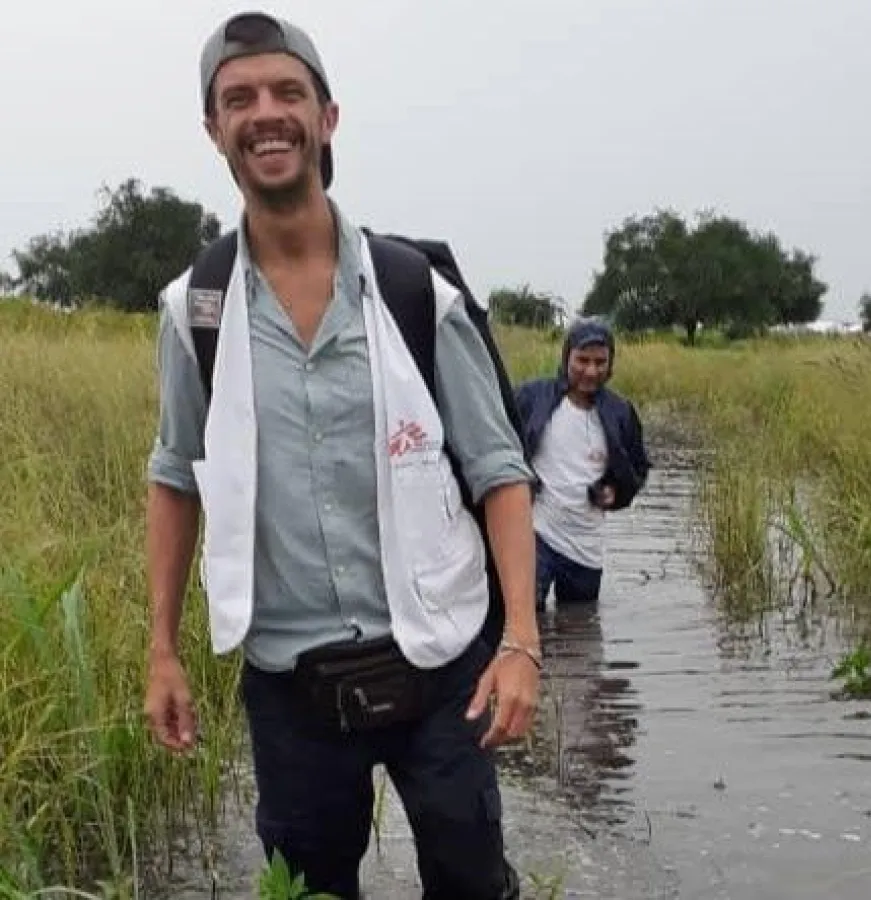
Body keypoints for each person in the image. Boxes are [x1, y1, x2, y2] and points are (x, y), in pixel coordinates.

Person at [142, 11, 540, 900]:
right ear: (214, 130)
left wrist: (521, 641)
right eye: (239, 99)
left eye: (288, 92)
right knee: (310, 889)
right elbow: (174, 477)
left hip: (442, 665)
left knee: (474, 883)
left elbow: (500, 471)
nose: (265, 113)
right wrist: (162, 650)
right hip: (292, 686)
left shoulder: (413, 292)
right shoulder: (195, 310)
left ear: (327, 117)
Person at [514, 318, 650, 611]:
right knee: (527, 617)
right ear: (567, 357)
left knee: (580, 623)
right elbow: (500, 444)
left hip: (586, 545)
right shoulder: (531, 397)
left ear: (610, 363)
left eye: (600, 362)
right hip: (536, 534)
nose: (591, 371)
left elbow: (638, 469)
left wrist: (615, 493)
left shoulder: (621, 413)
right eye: (582, 360)